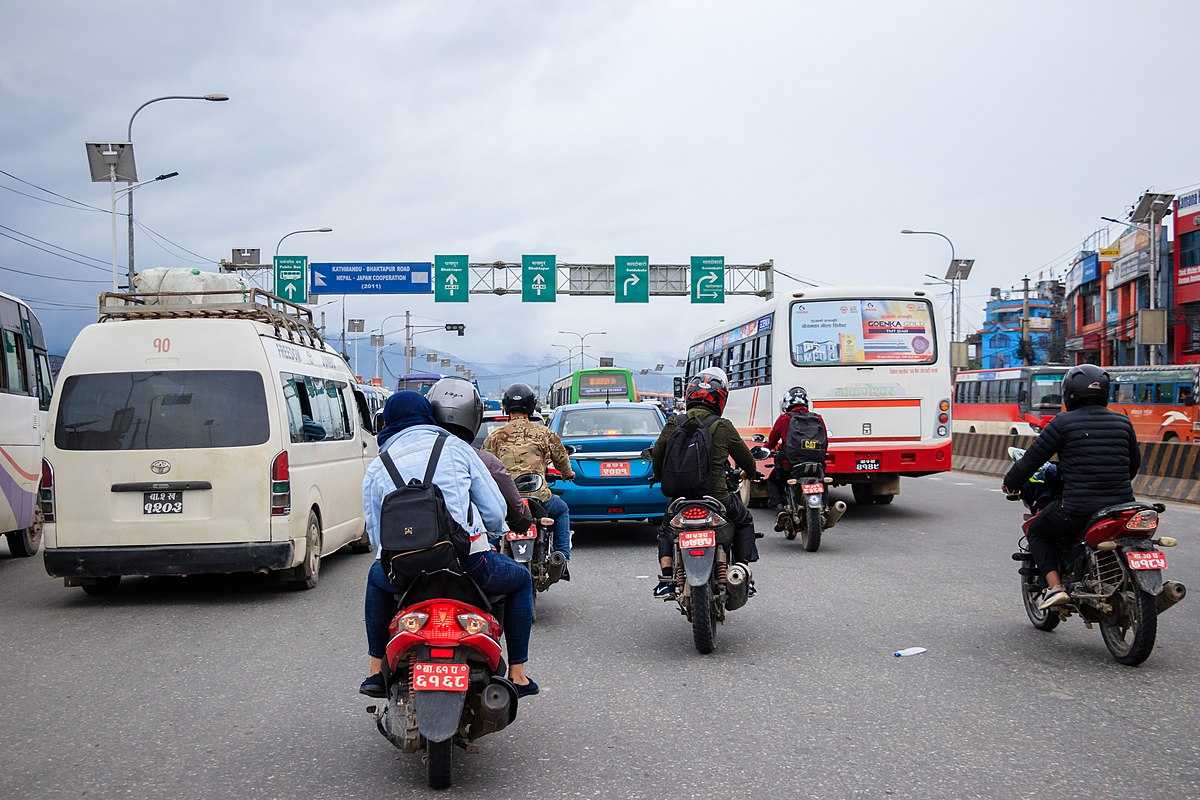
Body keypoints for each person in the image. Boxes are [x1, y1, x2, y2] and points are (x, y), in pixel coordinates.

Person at [360, 390, 540, 699]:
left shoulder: (379, 465)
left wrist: (395, 559)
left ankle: (376, 671)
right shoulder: (456, 448)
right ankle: (518, 674)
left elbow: (377, 537)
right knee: (521, 580)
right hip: (468, 562)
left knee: (375, 582)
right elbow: (495, 512)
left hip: (405, 573)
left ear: (386, 423)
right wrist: (491, 535)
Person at [1003, 364, 1140, 610]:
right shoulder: (1123, 422)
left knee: (1037, 531)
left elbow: (1031, 461)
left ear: (1069, 392)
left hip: (1078, 509)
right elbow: (1133, 465)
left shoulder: (1062, 423)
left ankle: (1055, 588)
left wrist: (1010, 483)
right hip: (1123, 507)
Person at [649, 367, 760, 599]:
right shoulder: (723, 426)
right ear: (721, 399)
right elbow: (745, 459)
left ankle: (667, 579)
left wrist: (658, 475)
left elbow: (658, 455)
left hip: (680, 499)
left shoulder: (673, 422)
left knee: (666, 531)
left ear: (689, 395)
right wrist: (750, 472)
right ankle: (742, 572)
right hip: (717, 497)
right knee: (744, 520)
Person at [484, 383, 576, 562]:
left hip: (507, 501)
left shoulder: (495, 437)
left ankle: (490, 555)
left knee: (492, 520)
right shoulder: (544, 433)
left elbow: (484, 465)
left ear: (506, 407)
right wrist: (568, 474)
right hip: (538, 498)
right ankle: (562, 556)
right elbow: (561, 457)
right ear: (531, 406)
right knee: (561, 509)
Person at [765, 386, 828, 530]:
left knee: (774, 481)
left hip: (791, 466)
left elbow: (772, 442)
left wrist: (766, 448)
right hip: (816, 465)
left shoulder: (784, 419)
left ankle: (781, 510)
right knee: (822, 480)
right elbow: (825, 443)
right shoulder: (818, 418)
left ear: (787, 404)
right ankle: (824, 508)